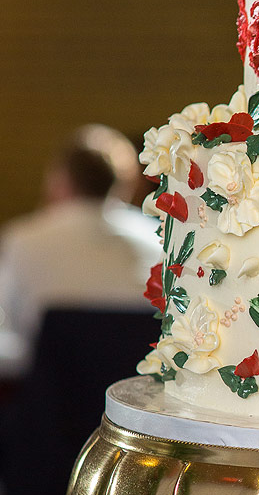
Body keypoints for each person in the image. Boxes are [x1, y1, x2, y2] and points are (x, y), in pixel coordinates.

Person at [0, 127, 159, 374]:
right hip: (131, 394)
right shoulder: (157, 239)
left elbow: (8, 332)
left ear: (60, 180)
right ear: (126, 184)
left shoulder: (23, 238)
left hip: (48, 402)